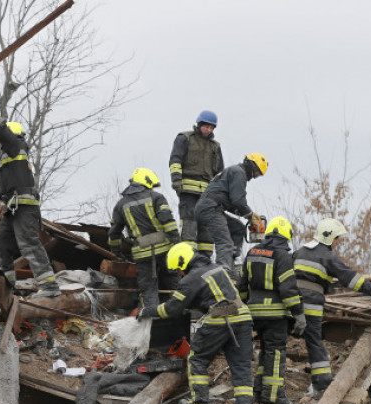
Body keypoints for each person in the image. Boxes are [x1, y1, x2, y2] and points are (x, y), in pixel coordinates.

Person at [138, 242, 254, 404]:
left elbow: (171, 309)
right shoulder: (216, 267)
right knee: (241, 365)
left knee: (197, 359)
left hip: (220, 320)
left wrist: (147, 311)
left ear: (183, 263)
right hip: (243, 316)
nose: (178, 273)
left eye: (177, 269)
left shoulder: (190, 279)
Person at [0, 81, 60, 298]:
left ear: (10, 135)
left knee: (28, 244)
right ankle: (7, 287)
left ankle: (49, 287)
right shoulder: (11, 158)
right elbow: (5, 187)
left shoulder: (14, 144)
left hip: (23, 206)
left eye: (0, 139)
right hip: (13, 207)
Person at [293, 218, 371, 396]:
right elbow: (351, 278)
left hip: (290, 304)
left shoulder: (299, 252)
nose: (337, 242)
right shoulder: (327, 256)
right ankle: (322, 386)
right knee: (315, 342)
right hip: (311, 306)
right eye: (336, 238)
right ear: (328, 236)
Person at [237, 216, 305, 404]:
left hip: (254, 313)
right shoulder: (283, 256)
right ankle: (274, 395)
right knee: (276, 352)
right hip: (275, 314)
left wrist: (244, 306)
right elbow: (288, 289)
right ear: (285, 235)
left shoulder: (252, 252)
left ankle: (259, 389)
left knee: (266, 350)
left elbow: (241, 285)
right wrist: (298, 314)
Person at [108, 168, 180, 312]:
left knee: (148, 288)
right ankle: (179, 313)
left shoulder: (121, 204)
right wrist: (177, 244)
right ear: (147, 181)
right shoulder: (157, 197)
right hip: (165, 249)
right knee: (174, 282)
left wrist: (118, 253)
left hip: (142, 253)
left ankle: (152, 320)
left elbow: (114, 234)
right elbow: (168, 222)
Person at [194, 152, 268, 275]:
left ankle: (231, 261)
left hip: (211, 207)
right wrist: (250, 215)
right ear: (252, 166)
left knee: (238, 229)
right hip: (210, 208)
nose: (255, 177)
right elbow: (238, 200)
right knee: (225, 242)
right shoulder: (239, 173)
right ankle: (222, 273)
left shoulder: (235, 171)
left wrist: (249, 215)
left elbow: (232, 203)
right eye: (256, 173)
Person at [168, 110, 224, 255]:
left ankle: (205, 259)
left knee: (206, 227)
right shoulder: (185, 138)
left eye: (211, 128)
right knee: (189, 224)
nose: (209, 130)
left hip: (207, 194)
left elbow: (220, 172)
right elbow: (175, 160)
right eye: (206, 126)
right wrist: (176, 180)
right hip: (188, 191)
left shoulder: (215, 146)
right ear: (199, 124)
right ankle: (188, 256)